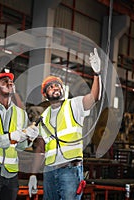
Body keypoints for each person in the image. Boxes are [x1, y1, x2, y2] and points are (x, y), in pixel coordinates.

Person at [28, 48, 102, 200]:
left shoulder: (74, 105)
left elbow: (94, 97)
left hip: (70, 170)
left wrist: (97, 74)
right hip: (49, 172)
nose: (55, 88)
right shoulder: (44, 116)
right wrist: (33, 175)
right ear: (45, 94)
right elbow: (40, 148)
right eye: (50, 87)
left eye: (58, 85)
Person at [0, 71, 39, 200]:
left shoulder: (21, 114)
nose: (10, 83)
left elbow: (20, 147)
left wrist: (29, 139)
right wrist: (10, 137)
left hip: (11, 173)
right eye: (5, 82)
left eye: (11, 82)